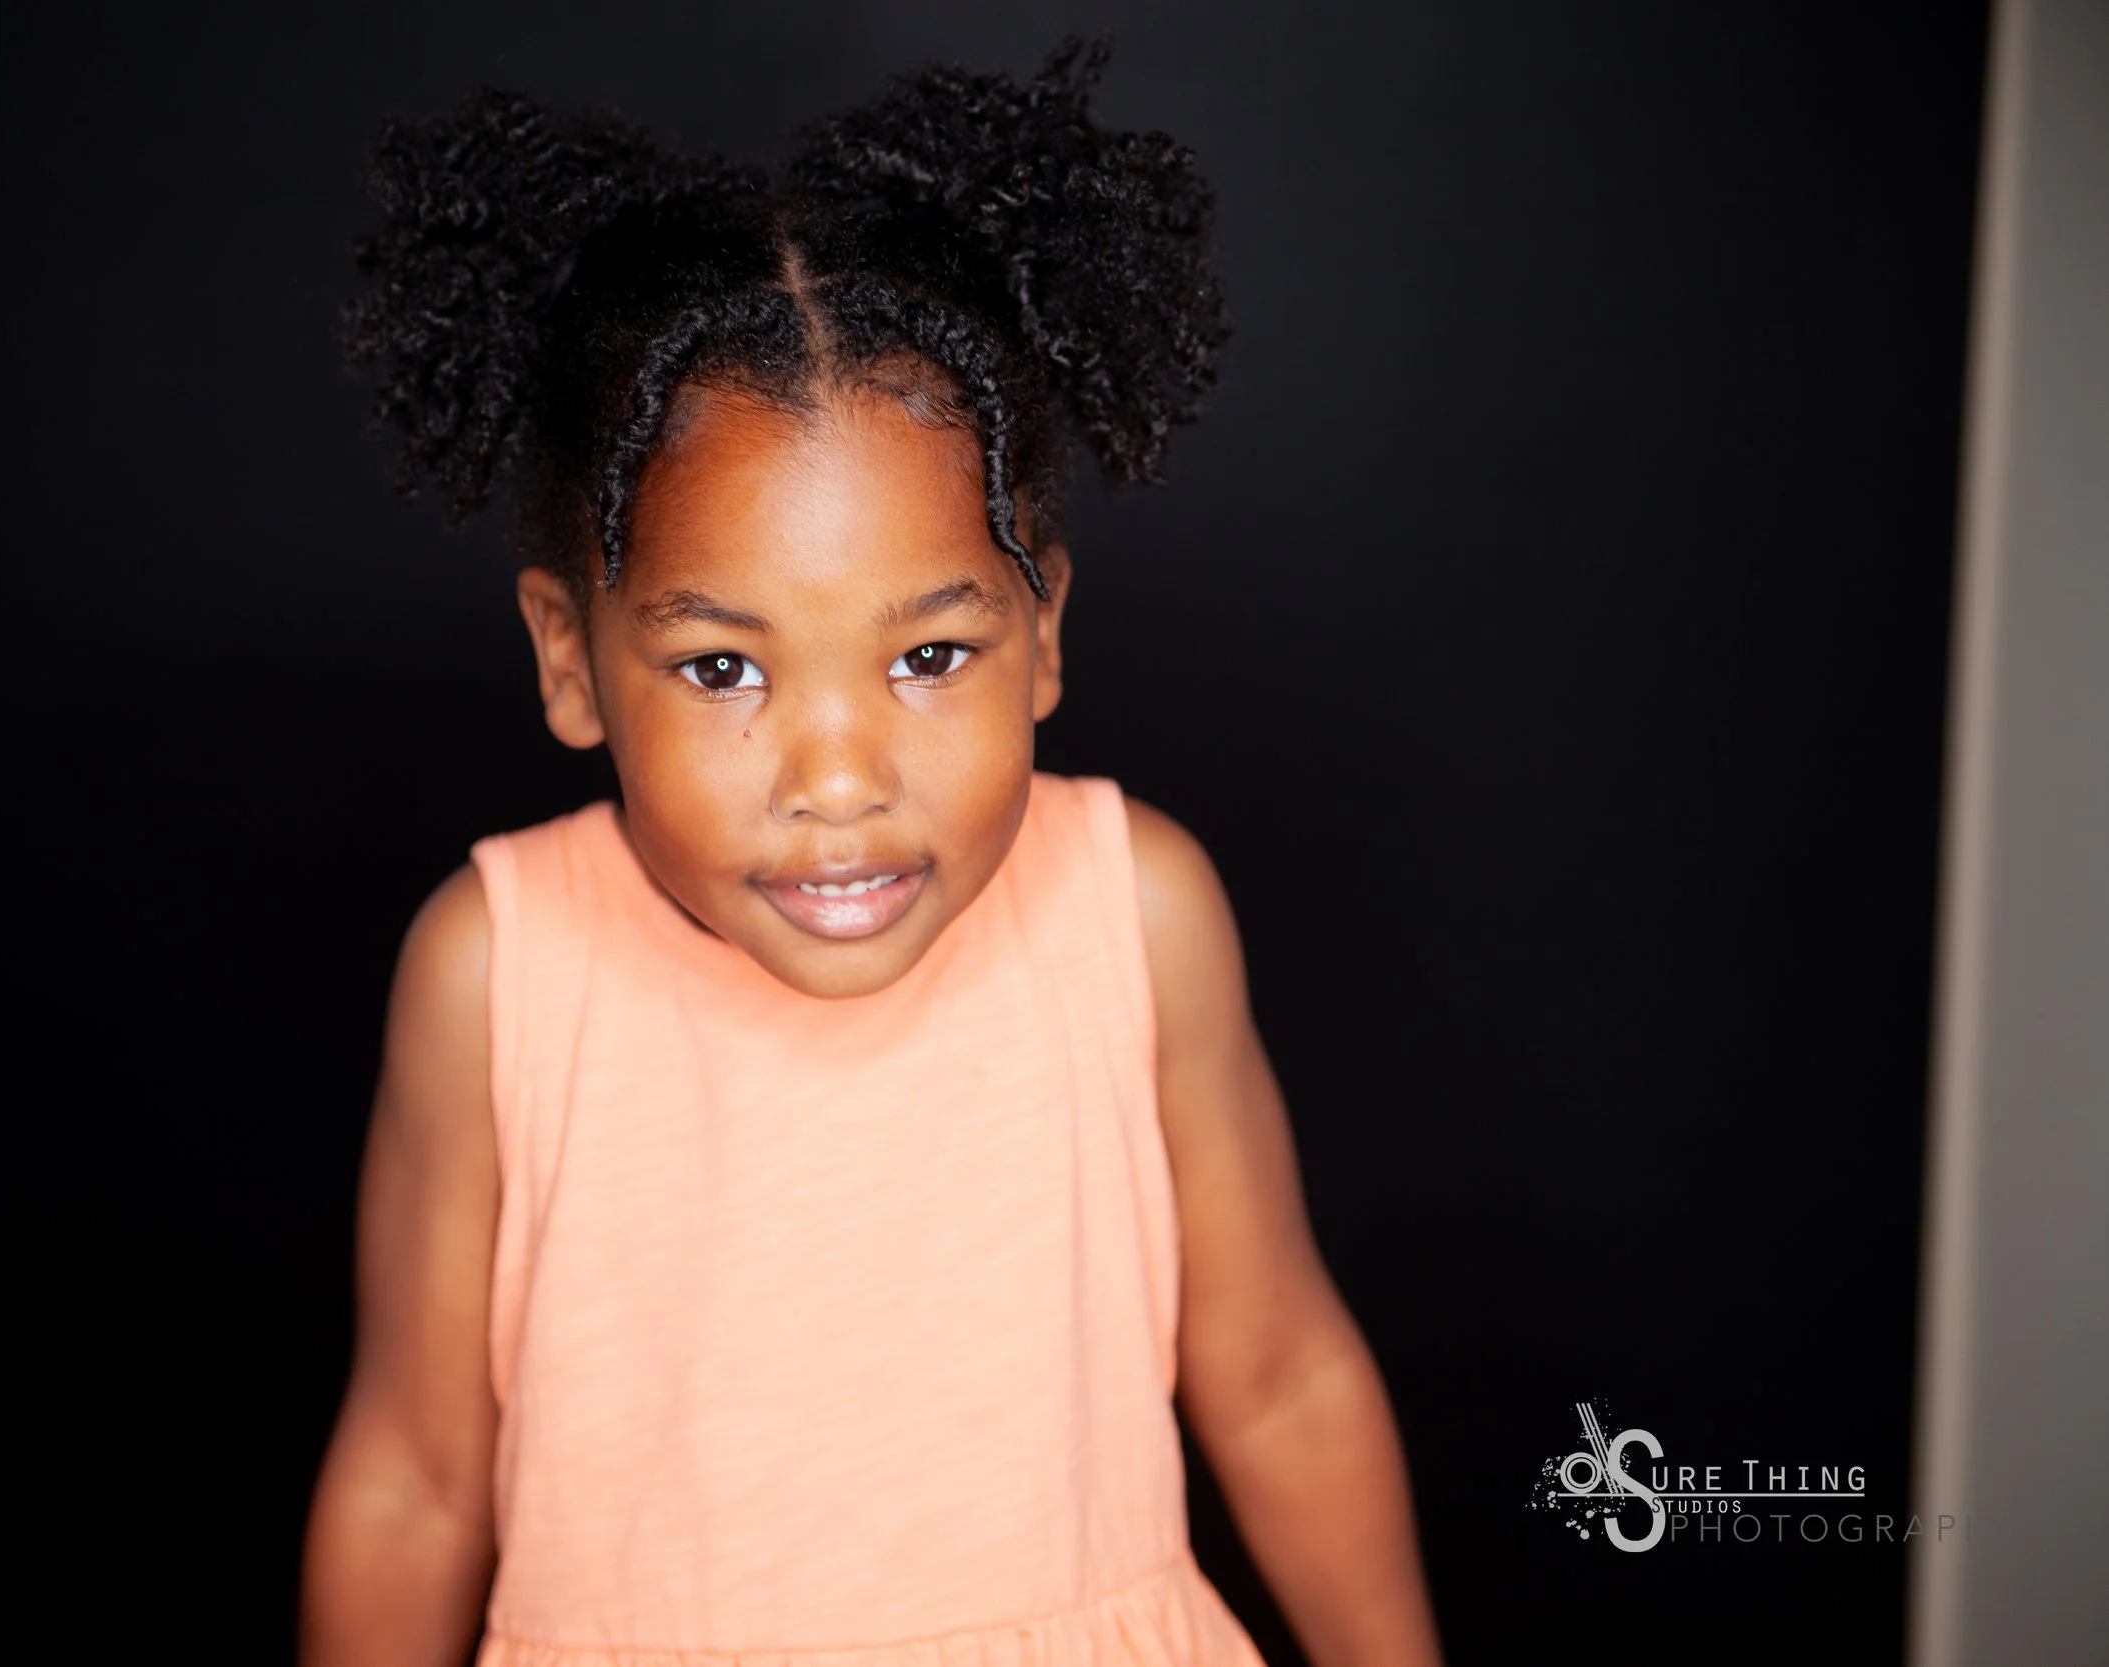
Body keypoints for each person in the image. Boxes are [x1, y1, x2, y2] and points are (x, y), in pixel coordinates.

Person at [300, 39, 1441, 1667]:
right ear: (571, 660)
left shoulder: (1135, 912)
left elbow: (1280, 1379)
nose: (838, 779)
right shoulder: (498, 974)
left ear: (1044, 629)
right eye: (722, 668)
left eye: (928, 656)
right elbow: (415, 1480)